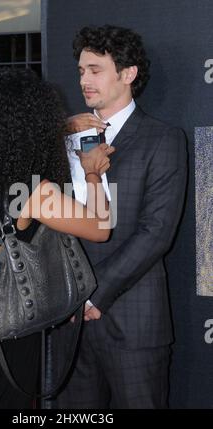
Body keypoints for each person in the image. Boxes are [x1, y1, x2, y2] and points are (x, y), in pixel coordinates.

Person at [0, 68, 114, 409]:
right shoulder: (30, 191)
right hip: (1, 337)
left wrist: (61, 129)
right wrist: (92, 172)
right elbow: (101, 227)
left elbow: (7, 137)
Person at [55, 25, 187, 409]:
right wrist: (60, 130)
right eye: (81, 70)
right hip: (67, 323)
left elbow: (157, 232)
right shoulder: (65, 136)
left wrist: (94, 294)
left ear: (127, 74)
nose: (84, 79)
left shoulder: (162, 139)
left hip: (131, 322)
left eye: (95, 70)